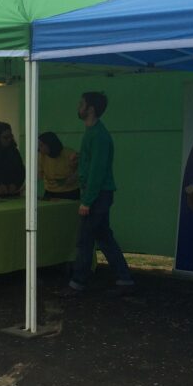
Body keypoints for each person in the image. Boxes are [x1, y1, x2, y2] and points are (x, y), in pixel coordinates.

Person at [59, 92, 135, 297]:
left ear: (90, 109)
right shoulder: (93, 133)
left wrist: (87, 200)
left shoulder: (98, 135)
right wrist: (81, 157)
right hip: (99, 194)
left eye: (81, 103)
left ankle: (78, 282)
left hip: (97, 195)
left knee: (85, 239)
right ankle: (124, 278)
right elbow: (95, 162)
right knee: (103, 238)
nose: (79, 106)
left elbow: (97, 171)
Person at [38, 131, 79, 201]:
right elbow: (40, 174)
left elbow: (81, 170)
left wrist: (73, 177)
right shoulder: (42, 156)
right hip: (50, 192)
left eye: (41, 145)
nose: (39, 148)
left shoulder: (69, 153)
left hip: (69, 192)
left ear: (50, 144)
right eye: (39, 145)